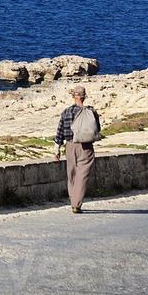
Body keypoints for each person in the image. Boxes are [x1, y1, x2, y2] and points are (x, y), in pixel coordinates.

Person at [55, 85, 101, 213]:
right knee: (82, 175)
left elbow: (60, 131)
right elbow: (98, 129)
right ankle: (76, 203)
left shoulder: (66, 112)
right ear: (84, 97)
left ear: (73, 96)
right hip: (86, 146)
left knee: (72, 174)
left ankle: (73, 200)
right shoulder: (91, 112)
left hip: (69, 146)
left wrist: (56, 148)